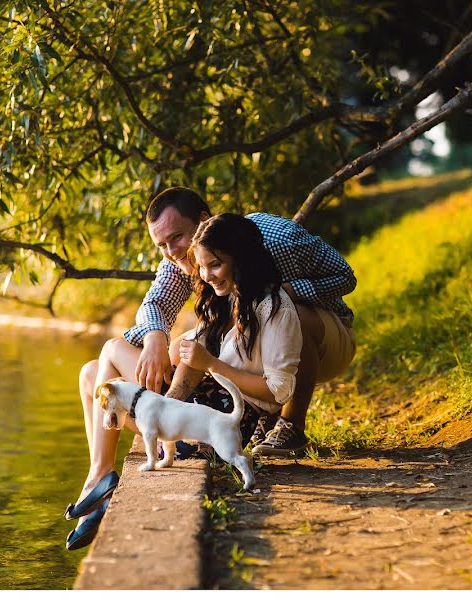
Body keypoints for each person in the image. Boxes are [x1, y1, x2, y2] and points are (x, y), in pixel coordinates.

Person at [65, 187, 355, 546]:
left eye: (177, 238)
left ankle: (289, 424)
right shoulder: (193, 266)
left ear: (203, 223)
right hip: (240, 368)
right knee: (92, 374)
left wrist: (286, 290)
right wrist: (156, 337)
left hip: (323, 336)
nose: (173, 253)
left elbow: (345, 276)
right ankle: (101, 478)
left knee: (290, 315)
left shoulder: (274, 242)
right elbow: (155, 304)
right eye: (162, 246)